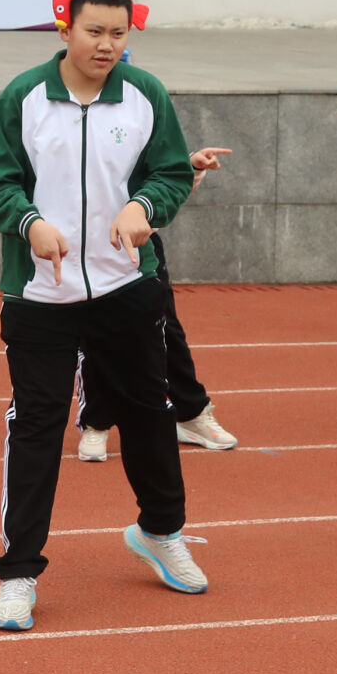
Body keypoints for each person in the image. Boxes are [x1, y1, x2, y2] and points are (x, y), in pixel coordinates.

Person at [0, 0, 201, 632]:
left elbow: (172, 172)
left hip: (126, 287)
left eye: (118, 33)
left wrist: (144, 207)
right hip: (42, 294)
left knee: (149, 413)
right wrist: (29, 224)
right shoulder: (24, 97)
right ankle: (18, 573)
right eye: (94, 30)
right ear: (66, 28)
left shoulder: (144, 94)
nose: (106, 44)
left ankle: (161, 531)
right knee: (36, 428)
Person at [76, 144, 240, 461]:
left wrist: (190, 167)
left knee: (165, 331)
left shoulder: (142, 117)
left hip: (141, 246)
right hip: (87, 246)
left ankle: (190, 413)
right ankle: (96, 424)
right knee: (95, 335)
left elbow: (162, 176)